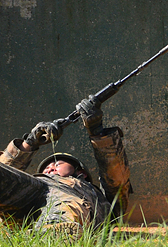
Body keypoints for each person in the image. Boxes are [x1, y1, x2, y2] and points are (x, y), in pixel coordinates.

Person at [0, 95, 131, 238]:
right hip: (25, 201)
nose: (50, 168)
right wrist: (30, 142)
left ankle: (49, 233)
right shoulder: (35, 184)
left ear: (81, 172)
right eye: (45, 168)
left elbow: (116, 179)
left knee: (67, 207)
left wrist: (97, 131)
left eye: (58, 164)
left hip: (71, 204)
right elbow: (5, 169)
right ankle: (35, 236)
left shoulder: (96, 197)